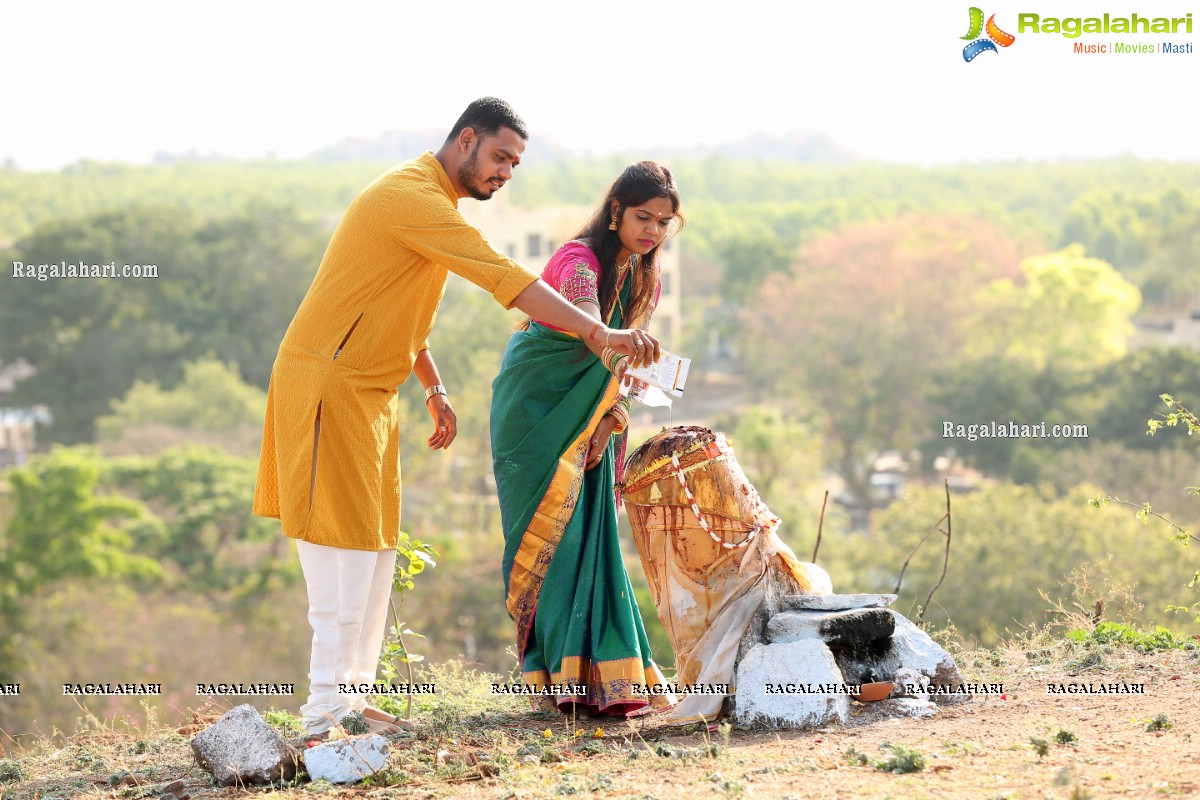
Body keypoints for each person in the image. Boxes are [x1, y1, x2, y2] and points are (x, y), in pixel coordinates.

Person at [252, 98, 659, 737]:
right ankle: (322, 711)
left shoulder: (433, 205)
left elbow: (398, 310)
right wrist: (598, 333)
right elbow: (500, 275)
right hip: (328, 384)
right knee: (344, 551)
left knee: (377, 551)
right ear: (465, 140)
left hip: (372, 393)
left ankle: (350, 702)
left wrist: (434, 387)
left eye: (516, 164)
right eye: (499, 156)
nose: (505, 172)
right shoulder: (410, 196)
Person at [490, 161, 683, 717]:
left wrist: (608, 418)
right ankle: (559, 681)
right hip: (536, 410)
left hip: (593, 411)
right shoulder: (579, 262)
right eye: (642, 217)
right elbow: (594, 330)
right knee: (553, 540)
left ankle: (606, 678)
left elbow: (623, 364)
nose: (652, 230)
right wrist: (614, 355)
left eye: (663, 222)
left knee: (592, 538)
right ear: (616, 211)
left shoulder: (647, 277)